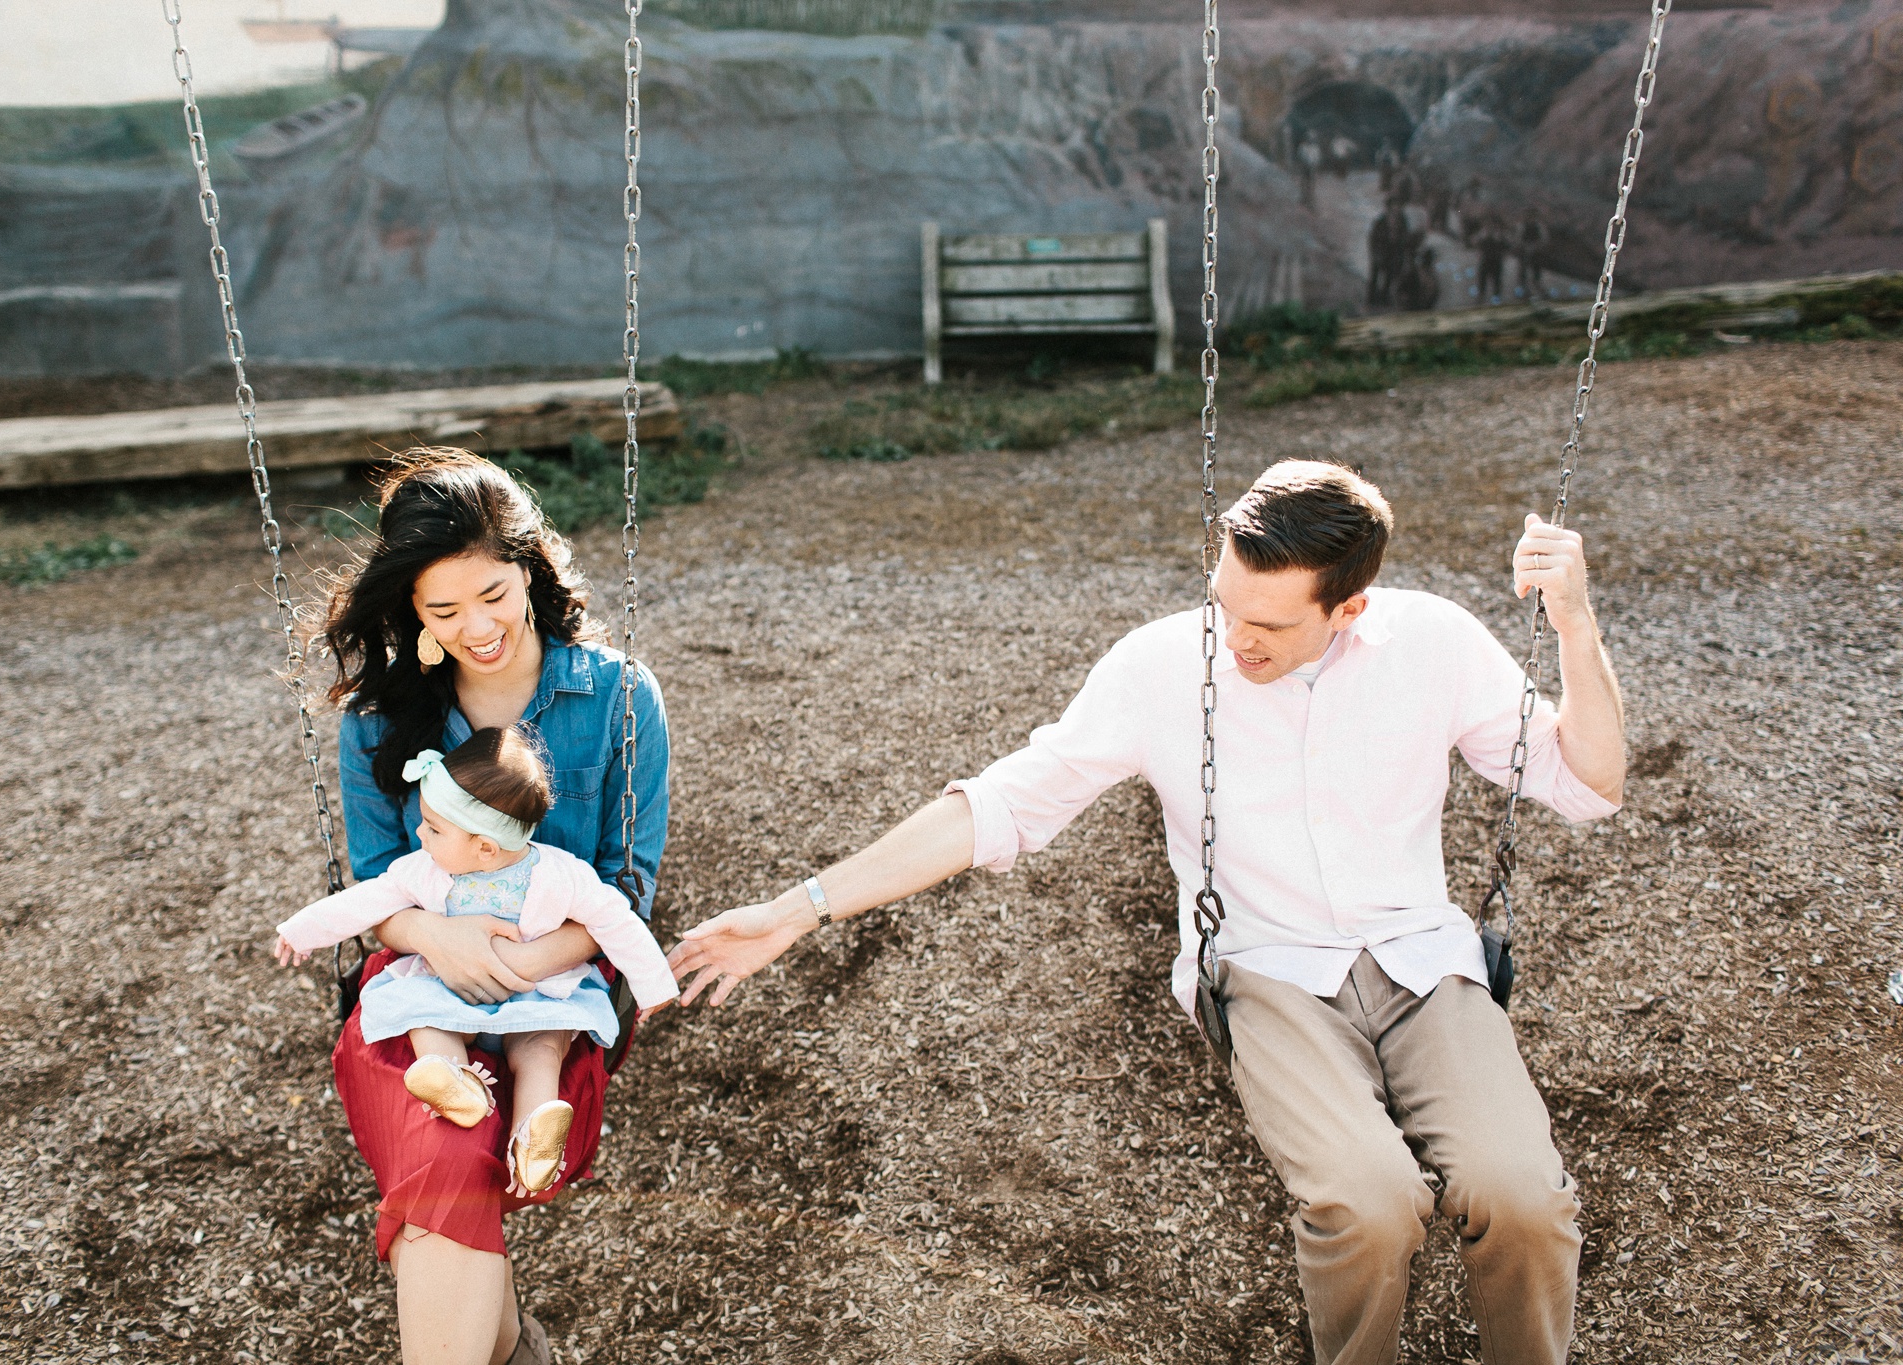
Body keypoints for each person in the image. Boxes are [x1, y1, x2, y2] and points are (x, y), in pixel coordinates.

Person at [670, 461, 1626, 1365]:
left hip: (1424, 962)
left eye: (1270, 625)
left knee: (1526, 1197)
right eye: (1225, 604)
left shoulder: (1435, 642)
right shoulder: (1162, 665)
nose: (1235, 639)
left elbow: (1591, 781)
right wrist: (802, 907)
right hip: (1268, 969)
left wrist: (1574, 624)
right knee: (1369, 1203)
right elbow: (1003, 803)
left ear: (1350, 607)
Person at [322, 448, 670, 1365]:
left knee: (459, 1164)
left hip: (553, 1001)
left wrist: (525, 961)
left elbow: (628, 886)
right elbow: (371, 888)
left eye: (493, 594)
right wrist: (436, 933)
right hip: (416, 990)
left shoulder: (618, 700)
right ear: (413, 615)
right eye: (444, 610)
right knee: (447, 1154)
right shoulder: (376, 720)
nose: (478, 627)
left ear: (530, 568)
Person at [273, 726, 678, 1195]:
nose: (420, 833)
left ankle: (536, 1138)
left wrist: (652, 983)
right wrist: (302, 930)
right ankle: (454, 1082)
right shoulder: (423, 868)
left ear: (485, 846)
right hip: (450, 987)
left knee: (542, 1048)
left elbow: (616, 918)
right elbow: (366, 901)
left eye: (434, 827)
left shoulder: (560, 874)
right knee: (427, 1018)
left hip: (536, 995)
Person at [1517, 206, 1550, 297]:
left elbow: (1544, 239)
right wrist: (1525, 246)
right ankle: (1524, 290)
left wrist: (1536, 246)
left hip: (1536, 252)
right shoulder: (1522, 226)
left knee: (1536, 273)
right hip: (1525, 251)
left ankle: (1538, 289)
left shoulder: (1539, 226)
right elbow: (1518, 239)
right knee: (1523, 272)